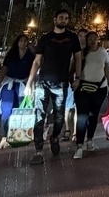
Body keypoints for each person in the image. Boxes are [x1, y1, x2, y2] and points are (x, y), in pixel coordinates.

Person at [24, 9, 83, 165]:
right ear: (55, 18)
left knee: (59, 119)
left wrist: (77, 77)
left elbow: (78, 58)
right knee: (39, 117)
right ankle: (38, 151)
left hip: (62, 82)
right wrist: (30, 82)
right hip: (43, 82)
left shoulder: (72, 38)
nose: (64, 20)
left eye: (66, 18)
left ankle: (55, 136)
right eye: (61, 17)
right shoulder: (45, 39)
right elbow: (37, 61)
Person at [73, 29, 109, 159]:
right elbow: (72, 68)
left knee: (93, 115)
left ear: (98, 40)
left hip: (99, 88)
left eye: (94, 38)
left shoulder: (103, 53)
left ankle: (89, 139)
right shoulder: (81, 53)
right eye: (89, 38)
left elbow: (107, 70)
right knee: (82, 116)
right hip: (83, 88)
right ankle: (79, 145)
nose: (91, 41)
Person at [0, 34, 35, 149]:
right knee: (6, 109)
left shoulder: (30, 56)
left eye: (25, 41)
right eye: (21, 41)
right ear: (17, 42)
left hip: (23, 85)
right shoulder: (11, 55)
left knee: (20, 109)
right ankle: (3, 136)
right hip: (9, 84)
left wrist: (31, 86)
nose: (23, 43)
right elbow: (4, 69)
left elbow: (33, 71)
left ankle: (17, 135)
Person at [63, 28, 88, 142]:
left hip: (84, 82)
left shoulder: (88, 52)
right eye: (80, 36)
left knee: (78, 108)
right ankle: (67, 129)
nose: (82, 38)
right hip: (70, 82)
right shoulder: (71, 50)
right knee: (67, 108)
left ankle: (75, 132)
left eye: (84, 36)